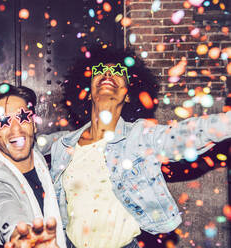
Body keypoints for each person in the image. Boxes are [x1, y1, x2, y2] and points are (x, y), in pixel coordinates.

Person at [50, 46, 231, 248]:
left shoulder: (140, 136)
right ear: (89, 93)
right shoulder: (63, 146)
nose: (108, 73)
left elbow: (186, 134)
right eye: (99, 70)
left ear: (128, 95)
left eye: (119, 72)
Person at [0, 83, 67, 248]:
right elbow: (0, 205)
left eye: (23, 117)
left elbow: (73, 138)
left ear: (34, 124)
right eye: (2, 122)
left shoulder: (41, 153)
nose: (16, 129)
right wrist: (19, 233)